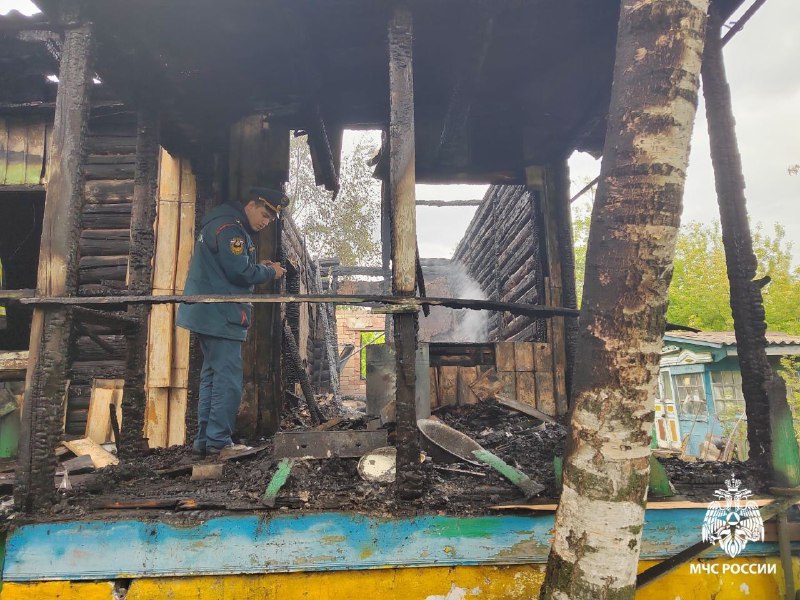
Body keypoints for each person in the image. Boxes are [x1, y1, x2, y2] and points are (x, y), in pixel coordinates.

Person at [177, 187, 287, 456]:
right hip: (221, 314)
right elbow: (240, 272)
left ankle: (205, 440)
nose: (265, 222)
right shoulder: (231, 229)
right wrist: (269, 271)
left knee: (212, 377)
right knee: (227, 379)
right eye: (264, 214)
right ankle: (219, 442)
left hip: (209, 313)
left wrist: (255, 264)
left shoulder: (221, 224)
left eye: (270, 220)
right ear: (250, 204)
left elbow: (230, 266)